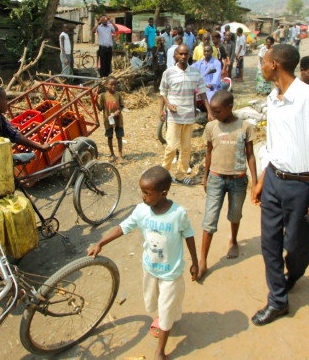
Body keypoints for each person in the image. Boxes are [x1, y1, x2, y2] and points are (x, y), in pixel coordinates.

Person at [250, 44, 309, 326]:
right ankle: (278, 300)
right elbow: (273, 145)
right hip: (275, 180)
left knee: (298, 245)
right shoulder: (272, 99)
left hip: (303, 186)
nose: (260, 67)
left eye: (263, 61)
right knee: (269, 243)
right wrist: (264, 179)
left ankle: (293, 275)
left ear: (275, 64)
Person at [88, 166, 198, 360]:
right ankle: (167, 317)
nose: (142, 197)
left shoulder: (178, 214)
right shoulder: (141, 211)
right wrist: (101, 242)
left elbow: (189, 235)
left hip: (170, 274)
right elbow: (123, 227)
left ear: (163, 193)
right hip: (150, 269)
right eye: (142, 192)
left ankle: (160, 350)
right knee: (154, 301)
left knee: (165, 308)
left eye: (147, 193)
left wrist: (195, 261)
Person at [198, 91, 257, 280]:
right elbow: (208, 153)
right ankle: (203, 260)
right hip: (216, 178)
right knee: (209, 219)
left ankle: (233, 240)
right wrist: (205, 177)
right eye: (213, 112)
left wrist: (255, 182)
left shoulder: (245, 127)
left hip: (238, 180)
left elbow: (250, 155)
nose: (214, 115)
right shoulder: (211, 127)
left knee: (235, 214)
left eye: (217, 111)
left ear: (230, 107)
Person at [160, 45, 212, 186]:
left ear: (189, 55)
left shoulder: (195, 73)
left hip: (189, 116)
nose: (183, 57)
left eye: (186, 54)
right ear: (176, 55)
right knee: (171, 146)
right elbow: (163, 92)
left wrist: (209, 111)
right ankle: (164, 174)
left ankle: (180, 175)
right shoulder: (168, 72)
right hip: (174, 116)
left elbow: (202, 92)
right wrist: (166, 106)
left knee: (186, 148)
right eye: (181, 54)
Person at [97, 76, 125, 163]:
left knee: (119, 136)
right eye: (111, 84)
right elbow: (100, 108)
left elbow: (122, 106)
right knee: (110, 137)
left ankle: (120, 155)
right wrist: (94, 102)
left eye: (115, 84)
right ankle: (112, 154)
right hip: (108, 120)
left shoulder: (118, 94)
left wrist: (118, 111)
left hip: (118, 120)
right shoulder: (103, 96)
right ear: (106, 85)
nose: (113, 86)